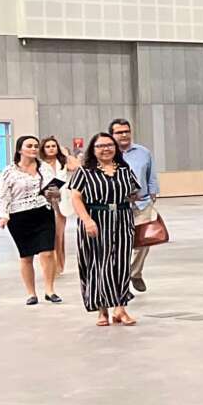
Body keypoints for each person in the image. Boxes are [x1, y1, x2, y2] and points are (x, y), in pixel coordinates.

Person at [69, 131, 139, 328]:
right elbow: (76, 197)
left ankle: (120, 308)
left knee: (122, 263)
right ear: (93, 149)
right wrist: (86, 220)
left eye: (109, 145)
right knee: (99, 264)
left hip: (122, 219)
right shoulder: (85, 172)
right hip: (96, 219)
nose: (106, 149)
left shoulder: (124, 169)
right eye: (100, 146)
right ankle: (102, 309)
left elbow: (134, 191)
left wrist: (132, 197)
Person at [0, 135, 62, 306]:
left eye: (35, 146)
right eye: (29, 146)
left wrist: (54, 193)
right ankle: (31, 293)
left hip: (43, 212)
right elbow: (3, 195)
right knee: (26, 256)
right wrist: (3, 215)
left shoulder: (45, 168)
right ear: (20, 149)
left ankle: (49, 290)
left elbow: (54, 190)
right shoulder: (9, 171)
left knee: (48, 252)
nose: (34, 149)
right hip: (19, 216)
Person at [110, 119, 159, 292]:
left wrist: (153, 192)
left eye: (127, 131)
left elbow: (151, 174)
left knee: (143, 242)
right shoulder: (107, 153)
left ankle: (134, 273)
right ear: (112, 135)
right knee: (120, 244)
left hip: (142, 203)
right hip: (117, 206)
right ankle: (121, 278)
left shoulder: (143, 152)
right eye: (119, 132)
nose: (124, 135)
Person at [38, 136, 71, 279]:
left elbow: (77, 167)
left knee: (58, 236)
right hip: (45, 202)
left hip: (61, 202)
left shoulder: (63, 163)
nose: (51, 149)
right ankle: (50, 265)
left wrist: (66, 154)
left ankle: (59, 264)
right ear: (43, 149)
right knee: (48, 236)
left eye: (53, 146)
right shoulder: (39, 165)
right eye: (48, 146)